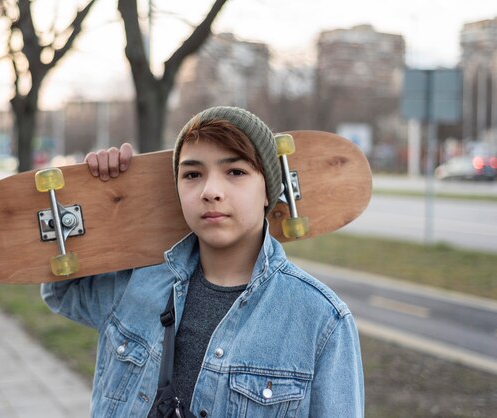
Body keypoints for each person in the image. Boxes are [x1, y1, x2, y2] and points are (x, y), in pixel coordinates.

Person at [41, 106, 364, 417]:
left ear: (269, 190)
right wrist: (96, 193)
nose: (210, 191)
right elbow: (62, 292)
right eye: (192, 174)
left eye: (235, 171)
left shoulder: (322, 320)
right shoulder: (136, 282)